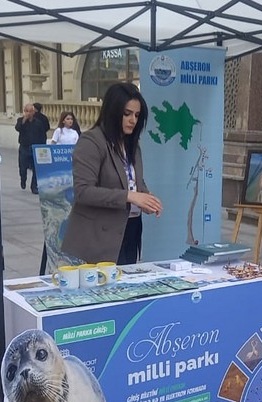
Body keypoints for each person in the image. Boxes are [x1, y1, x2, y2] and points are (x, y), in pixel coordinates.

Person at [62, 82, 163, 265]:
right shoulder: (91, 141)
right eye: (127, 114)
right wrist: (130, 196)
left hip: (131, 228)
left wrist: (146, 197)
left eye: (137, 115)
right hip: (100, 235)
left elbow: (131, 179)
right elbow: (83, 191)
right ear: (113, 111)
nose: (133, 120)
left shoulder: (133, 144)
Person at [15, 103, 50, 194]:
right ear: (24, 112)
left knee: (35, 168)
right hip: (24, 147)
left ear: (33, 112)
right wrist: (24, 120)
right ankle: (23, 179)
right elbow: (18, 128)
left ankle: (34, 186)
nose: (28, 113)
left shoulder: (38, 123)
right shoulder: (20, 121)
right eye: (27, 111)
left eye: (30, 111)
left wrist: (42, 147)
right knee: (23, 167)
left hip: (35, 148)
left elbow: (43, 135)